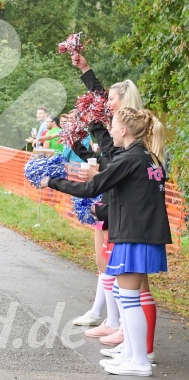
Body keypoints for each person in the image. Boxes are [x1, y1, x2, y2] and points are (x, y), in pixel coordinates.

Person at [40, 107, 170, 377]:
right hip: (142, 233)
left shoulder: (130, 159)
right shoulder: (148, 157)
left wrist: (52, 181)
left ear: (124, 131)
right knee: (127, 296)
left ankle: (139, 361)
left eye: (113, 125)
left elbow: (91, 188)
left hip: (134, 235)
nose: (109, 130)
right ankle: (132, 355)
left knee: (130, 299)